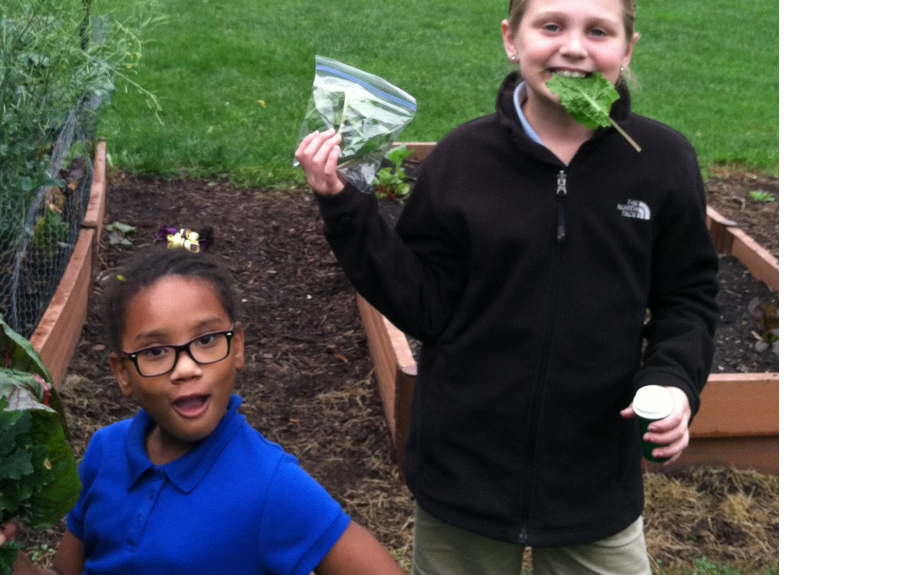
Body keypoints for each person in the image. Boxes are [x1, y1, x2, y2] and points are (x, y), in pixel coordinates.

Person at [294, 0, 719, 572]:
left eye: (598, 30)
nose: (573, 47)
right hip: (464, 472)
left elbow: (687, 297)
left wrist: (674, 380)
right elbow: (422, 303)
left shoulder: (662, 162)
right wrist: (346, 209)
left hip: (591, 479)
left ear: (627, 48)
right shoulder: (462, 162)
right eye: (550, 26)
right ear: (511, 39)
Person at [0, 247, 405, 575]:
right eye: (155, 352)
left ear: (238, 346)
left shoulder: (270, 486)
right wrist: (3, 560)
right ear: (122, 373)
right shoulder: (105, 453)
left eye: (207, 340)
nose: (186, 368)